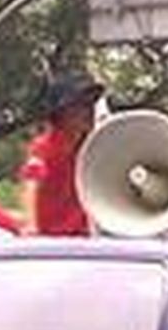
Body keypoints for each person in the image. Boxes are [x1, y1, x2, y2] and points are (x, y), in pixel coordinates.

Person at [19, 72, 105, 236]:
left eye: (91, 104)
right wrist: (31, 225)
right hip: (50, 242)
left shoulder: (90, 146)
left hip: (81, 237)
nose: (89, 111)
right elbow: (31, 182)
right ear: (61, 113)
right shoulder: (44, 146)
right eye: (81, 105)